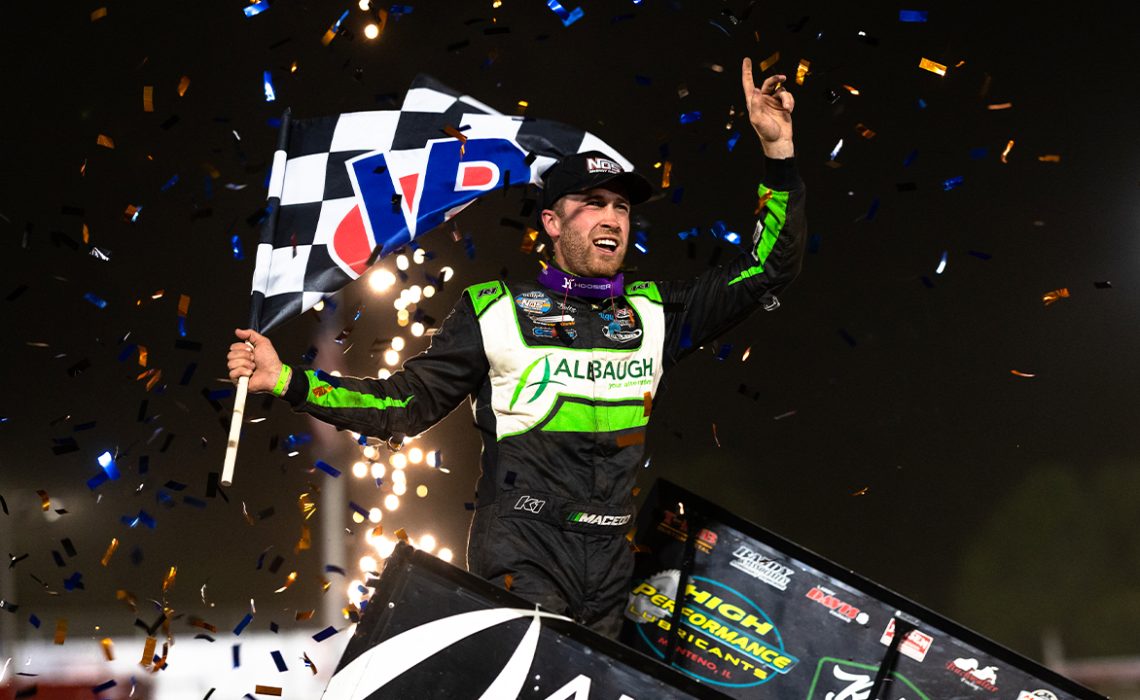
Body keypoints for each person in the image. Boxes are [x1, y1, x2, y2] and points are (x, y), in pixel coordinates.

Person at [226, 58, 805, 639]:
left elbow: (765, 269)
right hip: (523, 550)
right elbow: (404, 406)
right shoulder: (493, 306)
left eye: (622, 207)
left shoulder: (657, 308)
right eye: (594, 203)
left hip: (611, 561)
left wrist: (777, 153)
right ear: (552, 223)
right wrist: (286, 381)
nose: (613, 217)